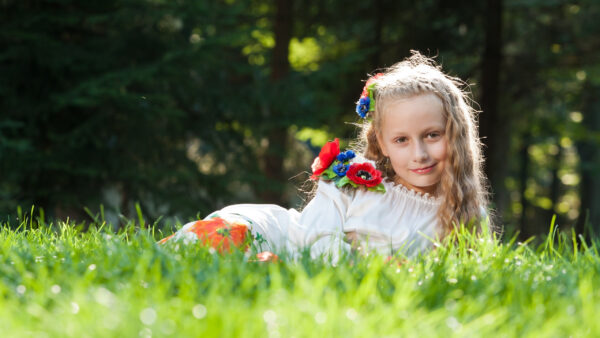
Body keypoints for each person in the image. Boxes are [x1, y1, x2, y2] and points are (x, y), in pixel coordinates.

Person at [159, 51, 494, 263]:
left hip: (292, 265)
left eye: (432, 135)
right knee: (217, 241)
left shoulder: (462, 211)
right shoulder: (353, 180)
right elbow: (311, 242)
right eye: (402, 140)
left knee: (252, 273)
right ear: (382, 142)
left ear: (455, 133)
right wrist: (365, 267)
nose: (420, 153)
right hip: (282, 236)